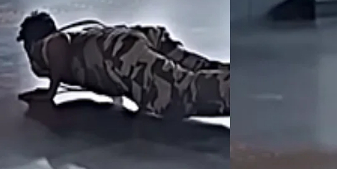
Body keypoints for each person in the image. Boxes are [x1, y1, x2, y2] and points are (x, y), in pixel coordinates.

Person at [16, 12, 230, 119]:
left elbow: (58, 45)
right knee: (201, 68)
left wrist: (50, 92)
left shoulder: (42, 45)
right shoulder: (79, 37)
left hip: (125, 57)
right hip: (133, 40)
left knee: (186, 92)